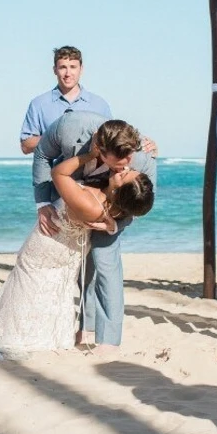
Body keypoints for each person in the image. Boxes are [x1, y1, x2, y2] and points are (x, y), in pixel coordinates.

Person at [0, 137, 154, 362]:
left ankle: (16, 335)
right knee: (53, 292)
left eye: (125, 175)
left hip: (47, 245)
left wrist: (90, 155)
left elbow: (58, 174)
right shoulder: (114, 211)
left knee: (29, 285)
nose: (125, 168)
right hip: (70, 253)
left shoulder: (90, 202)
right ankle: (47, 336)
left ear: (119, 191)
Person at [33, 111, 157, 354]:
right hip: (72, 194)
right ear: (100, 149)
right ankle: (84, 327)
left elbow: (143, 199)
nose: (127, 165)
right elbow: (42, 154)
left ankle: (109, 339)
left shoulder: (138, 157)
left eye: (129, 159)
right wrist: (42, 203)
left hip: (113, 209)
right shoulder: (68, 128)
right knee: (77, 266)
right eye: (120, 163)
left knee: (105, 263)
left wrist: (113, 224)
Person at [20, 46, 112, 154]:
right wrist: (57, 135)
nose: (68, 73)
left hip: (90, 170)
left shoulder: (99, 104)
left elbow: (112, 144)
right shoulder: (38, 104)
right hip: (50, 170)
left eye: (73, 67)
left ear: (81, 69)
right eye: (63, 67)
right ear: (55, 70)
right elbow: (25, 147)